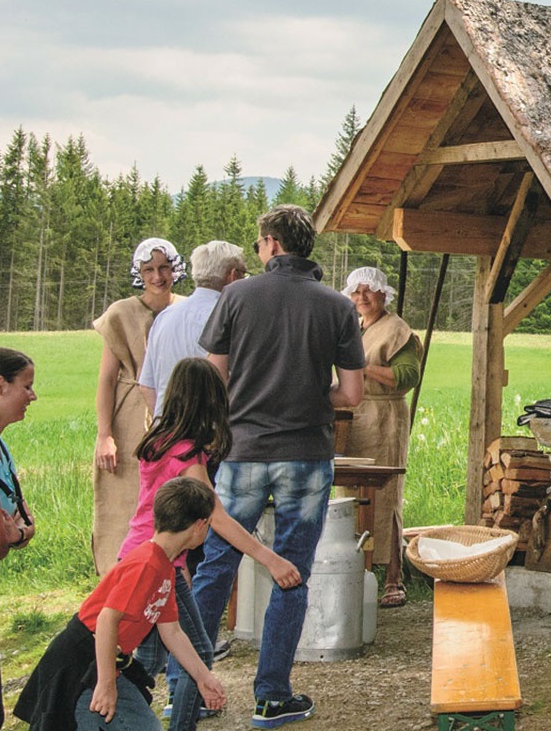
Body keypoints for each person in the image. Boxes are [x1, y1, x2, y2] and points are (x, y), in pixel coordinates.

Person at [187, 204, 364, 729]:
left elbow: (212, 376)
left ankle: (187, 691)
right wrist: (311, 394)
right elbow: (351, 392)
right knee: (291, 570)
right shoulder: (336, 306)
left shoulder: (237, 296)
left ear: (270, 244)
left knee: (217, 564)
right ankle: (271, 696)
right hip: (307, 454)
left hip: (242, 451)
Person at [126, 358, 302, 731]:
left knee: (152, 653)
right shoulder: (188, 457)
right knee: (198, 651)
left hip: (139, 552)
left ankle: (122, 708)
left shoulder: (157, 442)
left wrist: (182, 565)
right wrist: (271, 559)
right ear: (211, 403)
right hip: (158, 563)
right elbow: (218, 519)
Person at [14, 476, 226, 731]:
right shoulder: (147, 563)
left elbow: (172, 631)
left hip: (109, 664)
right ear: (200, 525)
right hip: (81, 665)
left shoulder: (165, 567)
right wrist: (105, 684)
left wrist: (203, 677)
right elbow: (105, 620)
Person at [93, 238, 185, 576]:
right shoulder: (121, 312)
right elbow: (106, 380)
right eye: (149, 269)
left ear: (175, 268)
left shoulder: (186, 308)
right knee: (124, 501)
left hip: (179, 412)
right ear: (139, 273)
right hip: (130, 418)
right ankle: (117, 578)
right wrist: (105, 435)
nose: (158, 276)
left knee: (175, 498)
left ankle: (169, 580)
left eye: (163, 268)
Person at [341, 266, 423, 608]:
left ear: (383, 294)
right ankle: (355, 570)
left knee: (385, 495)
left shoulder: (396, 329)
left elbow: (407, 376)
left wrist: (362, 367)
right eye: (356, 292)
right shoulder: (355, 326)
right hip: (356, 417)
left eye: (368, 291)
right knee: (352, 494)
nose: (362, 298)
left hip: (385, 417)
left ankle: (393, 578)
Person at [139, 241, 248, 418]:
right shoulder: (232, 319)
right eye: (244, 274)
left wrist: (166, 425)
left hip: (168, 435)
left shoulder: (164, 317)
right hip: (214, 433)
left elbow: (146, 386)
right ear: (233, 276)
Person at [0, 347, 39, 729]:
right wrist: (13, 534)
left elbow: (24, 525)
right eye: (26, 386)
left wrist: (17, 534)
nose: (33, 396)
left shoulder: (3, 449)